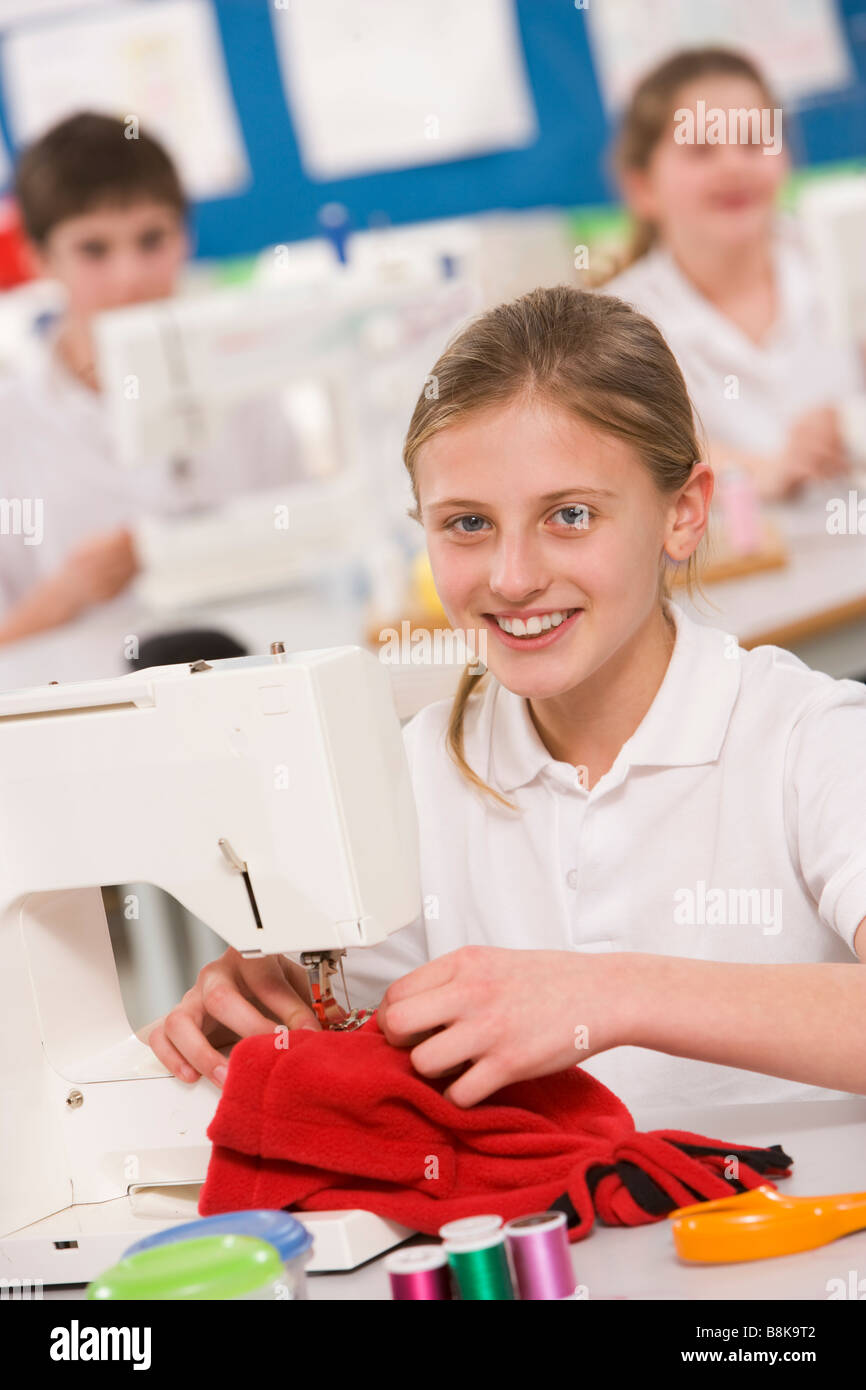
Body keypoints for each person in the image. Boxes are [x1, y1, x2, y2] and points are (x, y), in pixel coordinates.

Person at [143, 286, 866, 1112]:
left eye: (569, 515)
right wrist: (250, 1005)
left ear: (684, 513)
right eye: (467, 524)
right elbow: (335, 1010)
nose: (513, 577)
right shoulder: (409, 781)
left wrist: (612, 994)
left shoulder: (813, 744)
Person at [0, 112, 303, 645]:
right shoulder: (12, 428)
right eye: (94, 249)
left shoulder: (249, 390)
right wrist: (70, 592)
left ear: (184, 237)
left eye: (151, 239)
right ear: (40, 258)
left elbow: (310, 553)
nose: (131, 276)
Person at [599, 48, 861, 501]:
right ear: (642, 188)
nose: (734, 165)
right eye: (701, 151)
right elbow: (621, 453)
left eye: (754, 143)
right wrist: (767, 470)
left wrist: (852, 421)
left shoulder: (843, 259)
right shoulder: (619, 324)